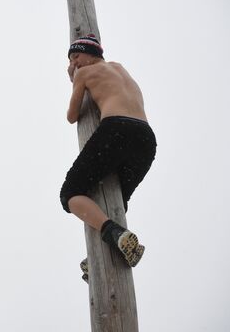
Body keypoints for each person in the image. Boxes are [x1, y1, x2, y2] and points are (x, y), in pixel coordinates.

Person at [59, 35, 157, 279]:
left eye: (76, 57)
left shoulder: (83, 74)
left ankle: (112, 234)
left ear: (90, 54)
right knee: (117, 202)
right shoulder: (119, 68)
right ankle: (103, 251)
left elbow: (72, 116)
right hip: (145, 139)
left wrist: (74, 80)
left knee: (70, 194)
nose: (74, 64)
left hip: (117, 129)